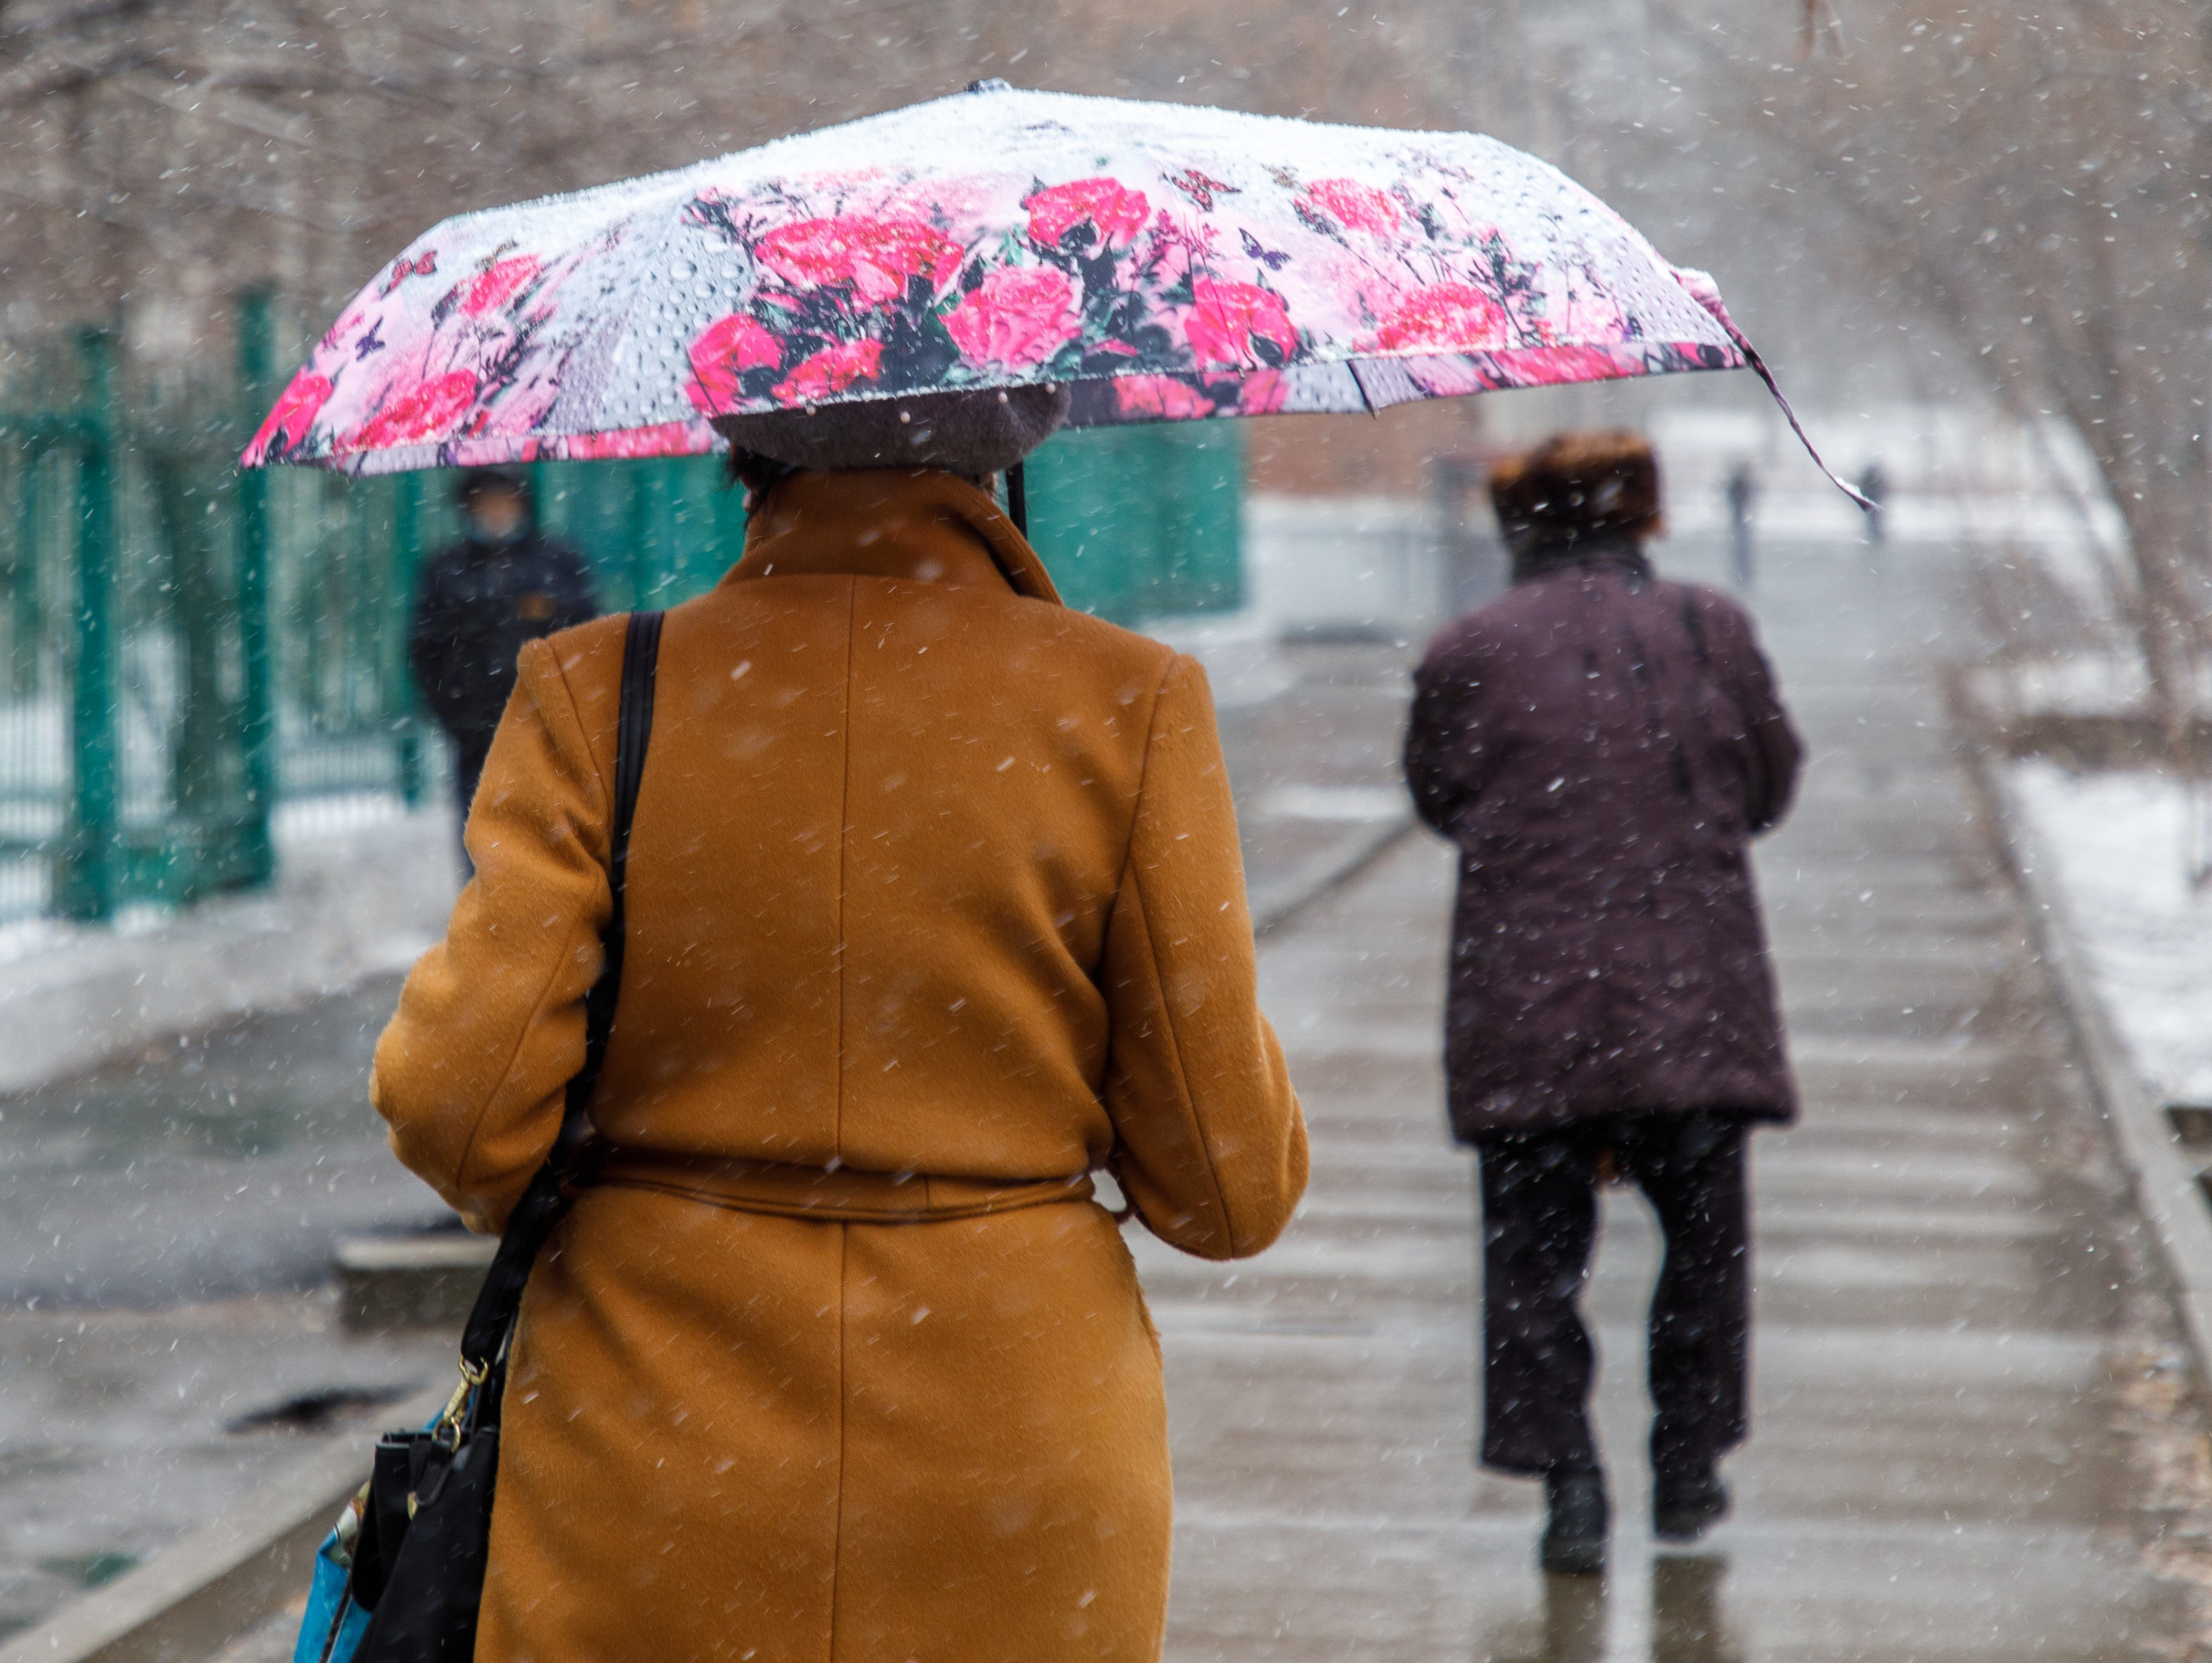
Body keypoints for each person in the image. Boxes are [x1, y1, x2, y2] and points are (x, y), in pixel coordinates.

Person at [369, 385, 1309, 1660]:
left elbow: (461, 1114)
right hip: (1013, 1454)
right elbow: (1224, 1185)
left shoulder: (599, 692)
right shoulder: (1127, 703)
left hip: (648, 1453)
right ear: (1017, 444)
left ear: (738, 444)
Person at [1403, 430, 1803, 1577]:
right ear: (1644, 515)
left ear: (1519, 525)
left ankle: (1570, 1489)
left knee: (1532, 1263)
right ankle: (1686, 1467)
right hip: (1694, 996)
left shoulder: (1469, 647)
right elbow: (1768, 784)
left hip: (1526, 1005)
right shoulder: (1710, 631)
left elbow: (1438, 797)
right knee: (1705, 1247)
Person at [406, 468, 599, 863]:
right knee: (484, 843)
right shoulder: (445, 571)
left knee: (555, 843)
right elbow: (425, 652)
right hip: (477, 738)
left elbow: (590, 640)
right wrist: (458, 716)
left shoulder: (558, 563)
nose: (495, 511)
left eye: (503, 499)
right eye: (484, 501)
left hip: (551, 731)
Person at [1724, 460, 1758, 590]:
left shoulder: (1739, 482)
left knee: (1741, 545)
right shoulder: (1742, 482)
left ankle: (1742, 571)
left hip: (1740, 515)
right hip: (1742, 515)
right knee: (1742, 545)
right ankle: (1743, 571)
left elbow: (1733, 495)